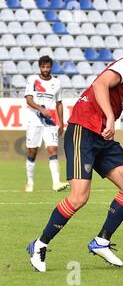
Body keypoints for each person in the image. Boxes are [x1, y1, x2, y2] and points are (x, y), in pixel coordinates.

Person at [27, 36, 123, 272]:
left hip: (102, 136)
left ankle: (101, 241)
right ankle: (39, 244)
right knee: (79, 197)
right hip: (84, 130)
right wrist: (110, 117)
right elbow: (101, 84)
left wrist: (108, 121)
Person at [24, 55, 69, 193]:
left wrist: (61, 123)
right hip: (34, 121)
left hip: (50, 122)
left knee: (52, 150)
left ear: (51, 67)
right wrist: (41, 109)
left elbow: (59, 103)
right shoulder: (33, 80)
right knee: (32, 151)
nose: (45, 69)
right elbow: (29, 100)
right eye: (43, 67)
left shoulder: (57, 82)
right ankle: (30, 182)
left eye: (48, 67)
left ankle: (56, 183)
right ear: (39, 67)